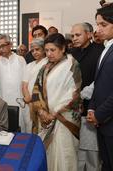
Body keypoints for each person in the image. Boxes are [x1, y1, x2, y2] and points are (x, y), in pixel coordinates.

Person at [31, 33, 82, 171]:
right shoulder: (45, 67)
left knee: (64, 155)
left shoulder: (72, 65)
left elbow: (73, 94)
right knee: (47, 154)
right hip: (45, 118)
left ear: (63, 48)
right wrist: (41, 111)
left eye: (52, 50)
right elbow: (36, 89)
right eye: (46, 50)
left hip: (63, 120)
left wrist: (54, 114)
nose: (49, 54)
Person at [71, 22, 104, 171]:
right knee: (76, 149)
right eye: (72, 36)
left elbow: (102, 81)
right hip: (73, 107)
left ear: (89, 34)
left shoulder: (100, 51)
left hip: (92, 107)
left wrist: (83, 94)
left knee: (92, 151)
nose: (74, 38)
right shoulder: (72, 53)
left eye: (78, 35)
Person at [87, 4, 113, 171]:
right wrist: (91, 108)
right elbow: (98, 83)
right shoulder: (106, 47)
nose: (98, 29)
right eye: (97, 24)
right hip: (103, 122)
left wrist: (99, 114)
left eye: (103, 24)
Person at [0, 34, 27, 132]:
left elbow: (26, 81)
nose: (1, 49)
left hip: (20, 99)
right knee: (5, 129)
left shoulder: (20, 60)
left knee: (21, 127)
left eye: (3, 45)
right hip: (3, 99)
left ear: (10, 44)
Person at [22, 39, 48, 133]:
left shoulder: (48, 63)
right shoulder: (29, 65)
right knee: (30, 128)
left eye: (37, 49)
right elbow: (24, 85)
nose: (35, 52)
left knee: (42, 131)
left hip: (43, 103)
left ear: (43, 49)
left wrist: (36, 102)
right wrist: (28, 98)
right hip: (29, 103)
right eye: (32, 51)